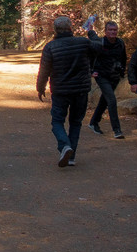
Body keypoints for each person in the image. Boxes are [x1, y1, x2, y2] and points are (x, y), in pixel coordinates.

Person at [36, 15, 102, 167]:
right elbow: (99, 47)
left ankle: (65, 145)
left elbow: (44, 70)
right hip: (80, 90)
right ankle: (71, 156)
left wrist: (40, 88)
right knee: (75, 122)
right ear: (71, 28)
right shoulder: (83, 42)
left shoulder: (50, 47)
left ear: (55, 30)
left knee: (57, 121)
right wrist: (91, 32)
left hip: (61, 91)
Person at [88, 21, 127, 138]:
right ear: (105, 31)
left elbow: (124, 58)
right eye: (110, 30)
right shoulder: (100, 43)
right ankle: (117, 130)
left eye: (114, 30)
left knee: (104, 100)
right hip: (101, 75)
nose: (112, 32)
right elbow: (89, 55)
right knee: (111, 100)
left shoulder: (120, 43)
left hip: (114, 76)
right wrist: (91, 71)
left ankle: (94, 122)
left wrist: (122, 71)